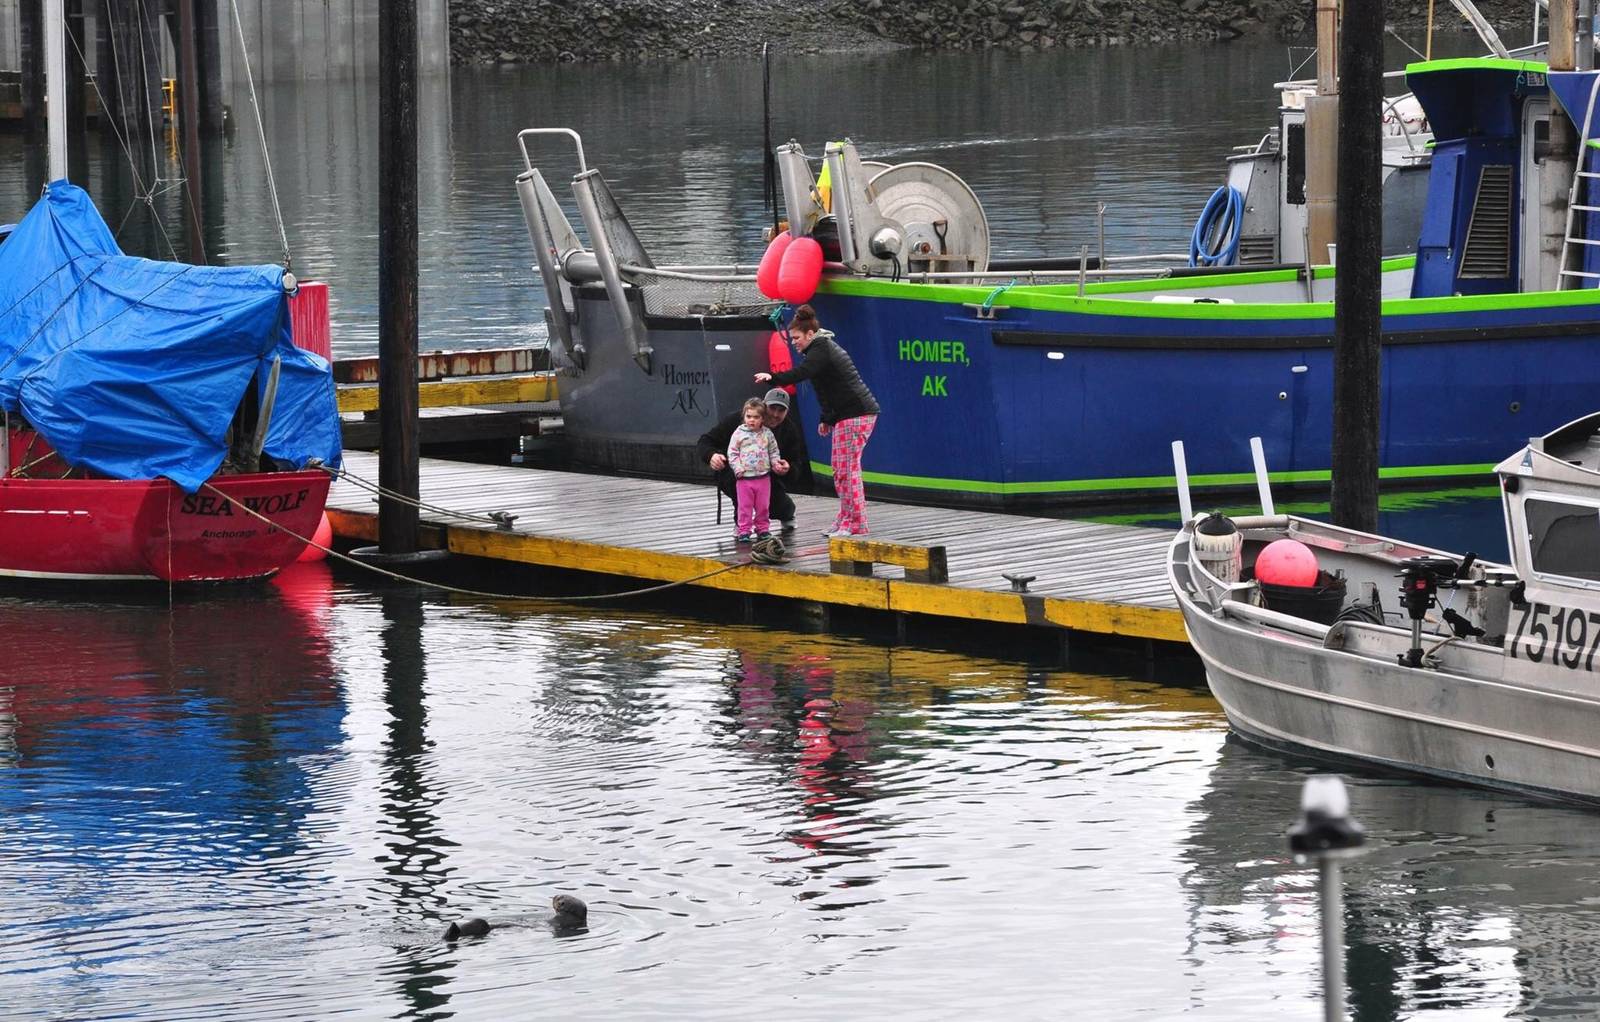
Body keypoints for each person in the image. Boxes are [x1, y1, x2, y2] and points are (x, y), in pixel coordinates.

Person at [755, 304, 880, 537]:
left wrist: (772, 377)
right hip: (846, 415)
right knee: (839, 470)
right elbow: (824, 388)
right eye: (791, 338)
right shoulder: (818, 351)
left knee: (847, 471)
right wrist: (827, 418)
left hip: (856, 414)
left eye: (796, 337)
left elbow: (801, 374)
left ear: (810, 334)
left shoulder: (820, 349)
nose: (793, 342)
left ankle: (856, 524)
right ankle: (845, 518)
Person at [696, 388, 812, 531]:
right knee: (740, 492)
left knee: (778, 506)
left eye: (781, 410)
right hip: (736, 473)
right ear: (763, 406)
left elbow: (796, 463)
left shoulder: (789, 429)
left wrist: (788, 469)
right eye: (772, 408)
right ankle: (741, 524)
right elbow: (705, 441)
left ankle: (787, 514)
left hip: (766, 477)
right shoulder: (737, 420)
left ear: (787, 412)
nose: (775, 414)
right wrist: (711, 455)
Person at [726, 397, 789, 543]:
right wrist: (737, 468)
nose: (752, 420)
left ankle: (763, 529)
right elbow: (732, 452)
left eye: (756, 417)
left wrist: (775, 464)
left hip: (763, 477)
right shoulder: (738, 433)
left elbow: (773, 451)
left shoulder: (767, 434)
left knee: (763, 506)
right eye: (749, 416)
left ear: (762, 418)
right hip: (744, 479)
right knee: (745, 507)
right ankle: (744, 530)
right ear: (744, 416)